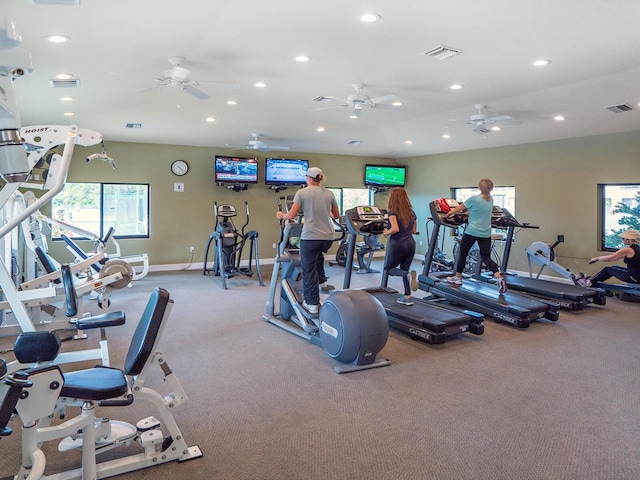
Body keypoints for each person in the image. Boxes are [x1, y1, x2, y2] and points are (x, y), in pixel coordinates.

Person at [276, 167, 340, 315]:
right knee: (318, 256)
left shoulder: (302, 193)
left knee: (308, 270)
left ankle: (312, 303)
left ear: (309, 179)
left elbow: (291, 215)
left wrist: (281, 215)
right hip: (328, 237)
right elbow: (336, 215)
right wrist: (324, 212)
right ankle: (322, 281)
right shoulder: (329, 193)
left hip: (311, 236)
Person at [445, 178, 507, 293]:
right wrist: (470, 213)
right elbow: (480, 211)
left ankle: (458, 277)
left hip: (472, 231)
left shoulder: (474, 199)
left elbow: (458, 208)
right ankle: (499, 277)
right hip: (485, 233)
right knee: (486, 257)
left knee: (463, 253)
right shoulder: (490, 200)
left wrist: (448, 214)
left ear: (480, 188)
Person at [382, 188, 417, 306]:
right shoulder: (411, 212)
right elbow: (414, 230)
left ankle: (406, 275)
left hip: (398, 244)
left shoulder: (392, 213)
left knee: (389, 269)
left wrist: (387, 232)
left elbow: (395, 228)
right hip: (411, 243)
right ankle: (407, 296)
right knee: (404, 268)